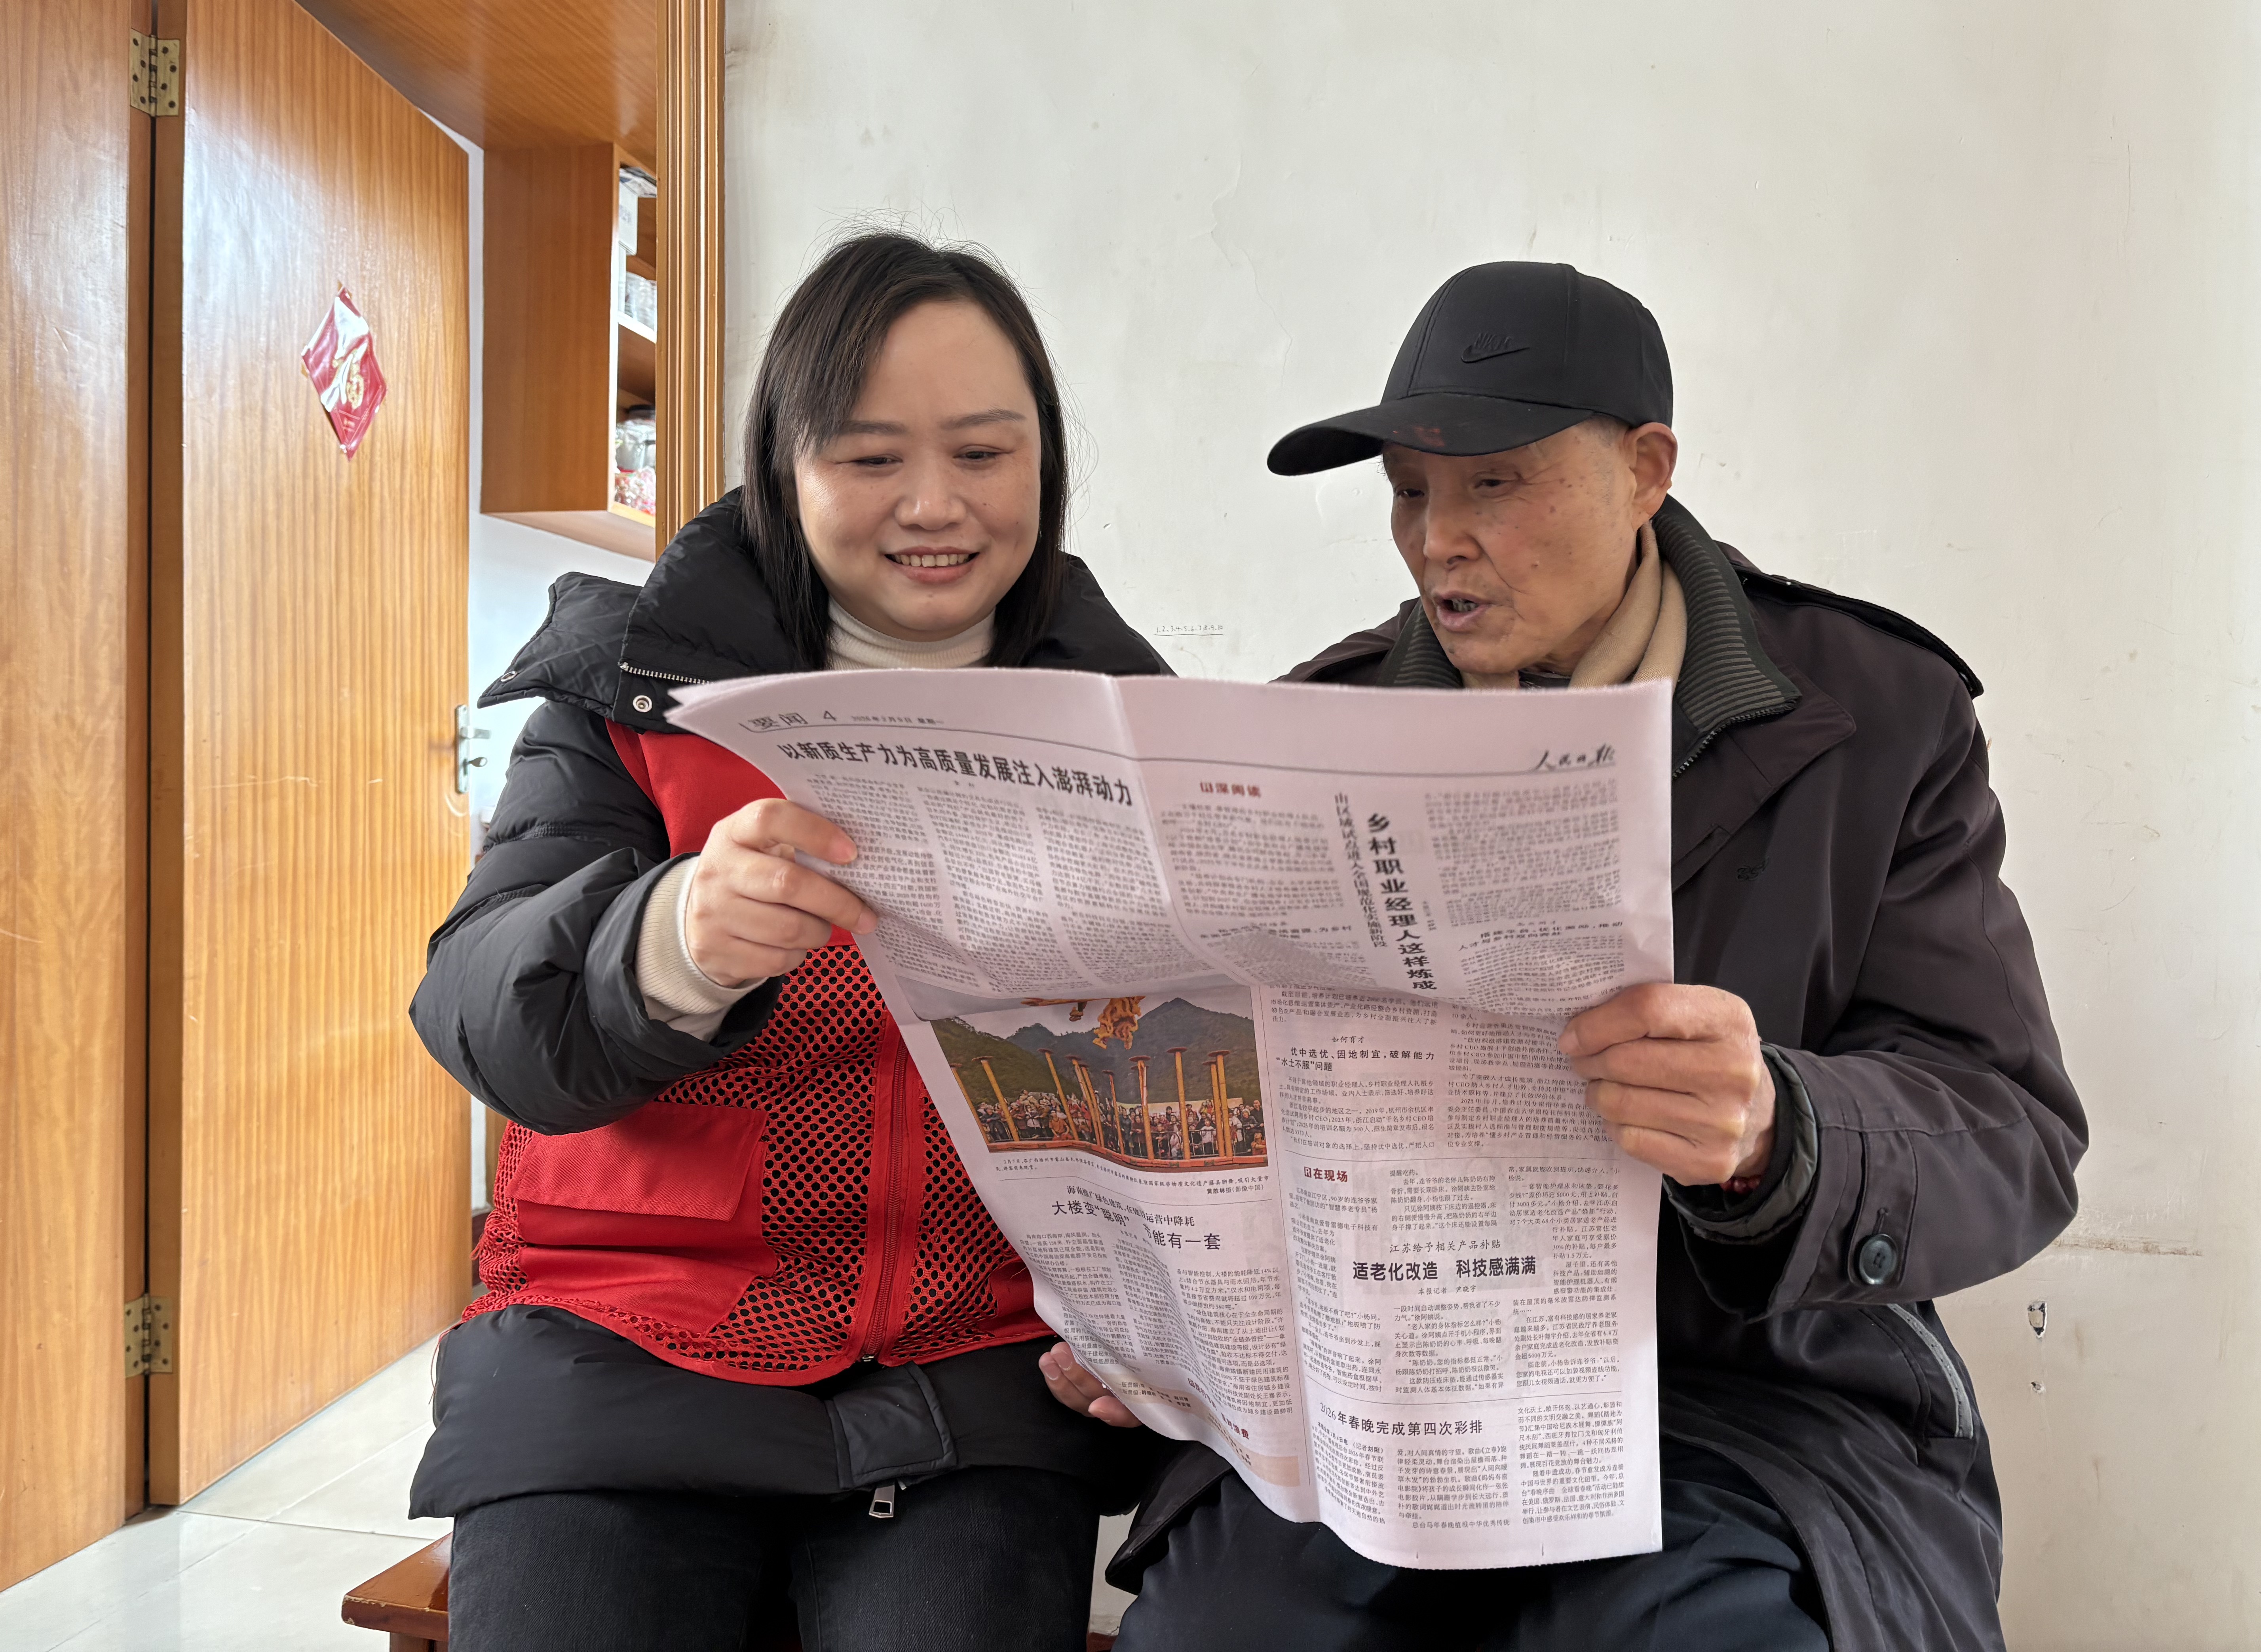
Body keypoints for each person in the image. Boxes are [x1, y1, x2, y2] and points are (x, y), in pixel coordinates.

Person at [1040, 262, 2084, 1652]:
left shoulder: (1878, 717)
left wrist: (1779, 1128)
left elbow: (2011, 1130)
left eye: (1496, 483)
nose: (1438, 541)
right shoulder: (1311, 731)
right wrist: (1169, 1313)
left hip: (1749, 1408)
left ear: (1646, 471)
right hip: (1384, 1404)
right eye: (1410, 490)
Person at [407, 232, 1168, 1652]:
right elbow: (480, 1013)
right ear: (783, 465)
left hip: (974, 1387)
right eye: (871, 457)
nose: (934, 504)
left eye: (984, 454)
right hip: (618, 1354)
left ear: (1045, 465)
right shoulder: (629, 696)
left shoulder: (1135, 728)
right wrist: (669, 941)